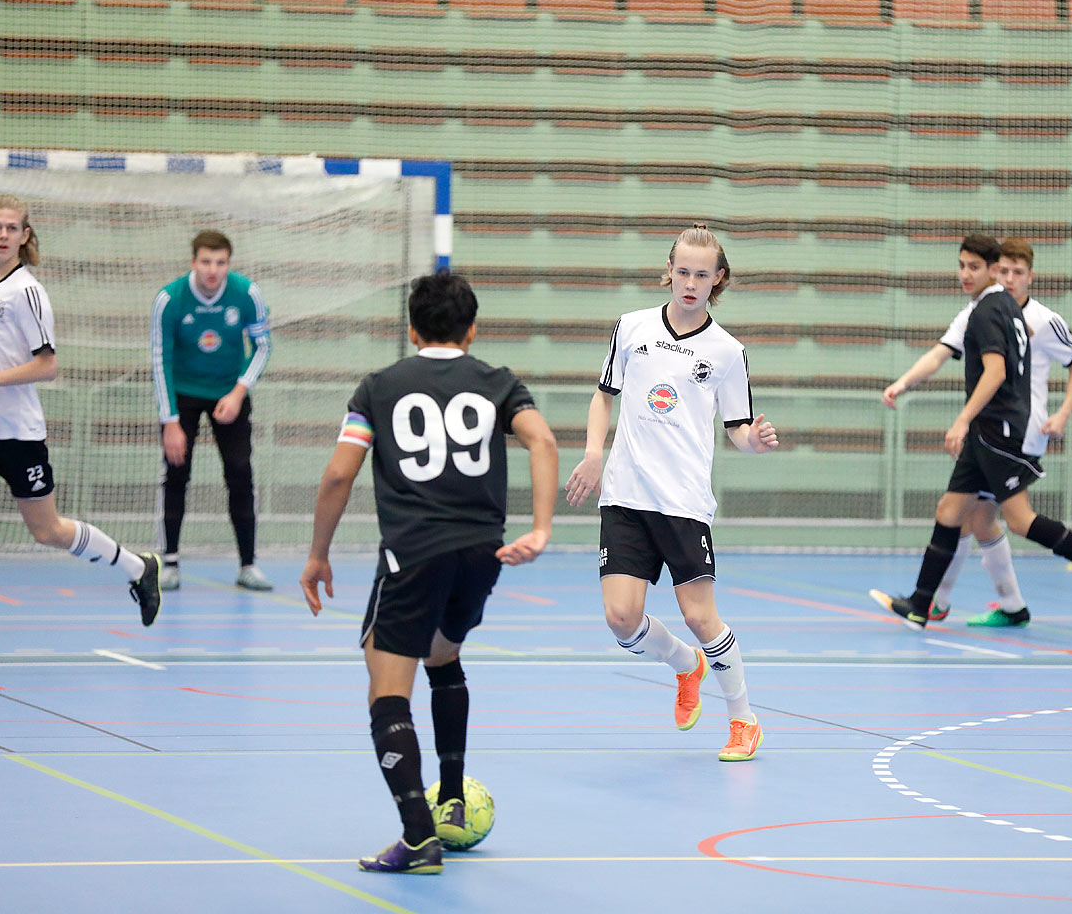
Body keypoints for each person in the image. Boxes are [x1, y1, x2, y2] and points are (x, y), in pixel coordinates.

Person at [299, 270, 557, 875]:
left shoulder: (379, 387)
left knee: (387, 689)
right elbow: (542, 441)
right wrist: (541, 529)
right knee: (443, 656)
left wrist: (317, 554)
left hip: (413, 553)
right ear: (472, 331)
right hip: (481, 554)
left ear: (411, 328)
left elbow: (339, 474)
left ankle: (418, 838)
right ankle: (453, 800)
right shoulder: (499, 383)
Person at [565, 225, 777, 763]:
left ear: (718, 279)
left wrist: (755, 440)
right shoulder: (631, 328)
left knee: (702, 617)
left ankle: (744, 720)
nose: (689, 282)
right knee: (620, 618)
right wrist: (594, 451)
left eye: (701, 275)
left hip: (683, 502)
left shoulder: (728, 352)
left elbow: (738, 429)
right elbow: (603, 395)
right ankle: (685, 665)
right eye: (682, 271)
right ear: (670, 271)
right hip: (625, 496)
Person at [872, 234, 1072, 630]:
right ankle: (924, 604)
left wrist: (962, 420)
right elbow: (942, 353)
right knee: (956, 512)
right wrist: (904, 383)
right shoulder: (996, 308)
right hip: (989, 430)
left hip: (1002, 430)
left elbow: (998, 371)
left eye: (974, 267)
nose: (965, 274)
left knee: (1019, 519)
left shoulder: (999, 312)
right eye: (961, 265)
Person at [0, 194, 161, 624]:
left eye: (12, 228)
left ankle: (139, 568)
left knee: (47, 532)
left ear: (24, 235)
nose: (4, 235)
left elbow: (47, 365)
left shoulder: (28, 292)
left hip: (17, 436)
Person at [150, 230, 272, 592]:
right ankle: (168, 562)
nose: (212, 270)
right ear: (193, 262)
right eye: (206, 262)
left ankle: (248, 564)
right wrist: (170, 421)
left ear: (229, 264)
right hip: (183, 396)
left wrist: (238, 393)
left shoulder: (246, 293)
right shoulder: (169, 299)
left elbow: (263, 347)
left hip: (228, 394)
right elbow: (160, 362)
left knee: (239, 473)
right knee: (175, 474)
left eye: (220, 262)